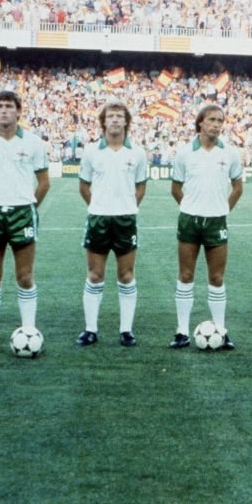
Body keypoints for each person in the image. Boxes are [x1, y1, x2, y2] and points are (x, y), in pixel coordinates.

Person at [0, 91, 50, 353]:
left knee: (25, 276)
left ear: (18, 111)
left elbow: (44, 182)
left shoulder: (34, 142)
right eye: (0, 106)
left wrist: (27, 204)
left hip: (22, 214)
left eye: (9, 106)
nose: (4, 111)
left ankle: (29, 329)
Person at [168, 104, 243, 349]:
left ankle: (221, 330)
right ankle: (181, 331)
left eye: (220, 120)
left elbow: (238, 187)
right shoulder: (184, 152)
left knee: (217, 277)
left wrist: (221, 209)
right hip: (190, 220)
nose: (217, 124)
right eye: (212, 119)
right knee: (186, 275)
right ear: (200, 122)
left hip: (217, 221)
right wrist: (192, 207)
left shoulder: (230, 153)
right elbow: (176, 189)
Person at [78, 99, 148, 347]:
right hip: (98, 218)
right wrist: (98, 205)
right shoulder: (91, 151)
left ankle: (126, 330)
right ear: (104, 122)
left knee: (126, 275)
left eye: (120, 116)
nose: (116, 119)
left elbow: (140, 187)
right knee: (95, 275)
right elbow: (84, 186)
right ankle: (90, 329)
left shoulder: (137, 153)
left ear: (127, 122)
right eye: (111, 116)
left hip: (126, 220)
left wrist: (127, 206)